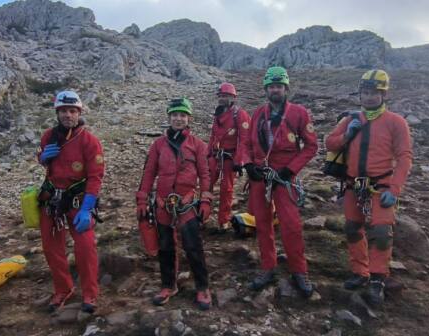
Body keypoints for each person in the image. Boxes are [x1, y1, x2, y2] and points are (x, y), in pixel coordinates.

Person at [325, 69, 412, 305]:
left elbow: (404, 157)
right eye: (365, 92)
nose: (370, 97)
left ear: (383, 94)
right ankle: (360, 272)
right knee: (353, 228)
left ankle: (377, 278)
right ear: (360, 94)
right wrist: (347, 135)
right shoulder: (351, 119)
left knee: (382, 233)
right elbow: (329, 143)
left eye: (375, 92)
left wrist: (394, 191)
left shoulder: (396, 122)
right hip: (354, 186)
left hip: (381, 186)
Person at [243, 66, 318, 297]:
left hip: (284, 178)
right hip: (260, 176)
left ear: (286, 89)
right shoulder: (257, 114)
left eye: (279, 86)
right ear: (266, 89)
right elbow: (245, 143)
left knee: (291, 225)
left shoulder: (299, 113)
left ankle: (299, 271)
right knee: (262, 223)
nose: (275, 90)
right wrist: (248, 165)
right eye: (272, 86)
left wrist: (290, 170)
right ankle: (268, 267)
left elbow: (311, 146)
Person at [136, 98, 213, 310]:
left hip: (187, 203)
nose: (178, 119)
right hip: (162, 204)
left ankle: (202, 287)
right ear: (169, 117)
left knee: (193, 245)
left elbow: (205, 174)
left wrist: (206, 199)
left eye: (182, 115)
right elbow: (149, 172)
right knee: (165, 246)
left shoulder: (198, 145)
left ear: (188, 118)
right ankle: (169, 285)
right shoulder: (158, 145)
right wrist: (142, 198)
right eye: (174, 115)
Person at [38, 90, 105, 313]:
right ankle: (63, 289)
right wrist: (42, 158)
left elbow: (95, 177)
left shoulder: (89, 141)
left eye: (72, 111)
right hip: (51, 200)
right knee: (51, 247)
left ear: (79, 113)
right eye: (64, 111)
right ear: (57, 112)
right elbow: (43, 160)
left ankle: (90, 293)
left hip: (78, 201)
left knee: (85, 247)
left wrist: (87, 208)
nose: (68, 115)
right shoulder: (49, 136)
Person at [207, 82, 251, 232]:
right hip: (216, 155)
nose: (221, 98)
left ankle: (223, 220)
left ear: (233, 97)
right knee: (207, 184)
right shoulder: (218, 113)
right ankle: (203, 214)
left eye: (225, 96)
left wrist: (239, 160)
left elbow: (244, 139)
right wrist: (207, 154)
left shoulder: (240, 114)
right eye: (220, 96)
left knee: (227, 188)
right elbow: (213, 135)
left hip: (230, 157)